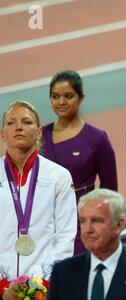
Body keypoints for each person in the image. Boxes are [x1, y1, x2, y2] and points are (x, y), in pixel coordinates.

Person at [0, 101, 77, 285]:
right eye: (11, 123)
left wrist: (43, 283)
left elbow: (65, 237)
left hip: (43, 287)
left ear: (39, 132)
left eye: (26, 122)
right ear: (2, 134)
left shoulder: (59, 176)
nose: (18, 127)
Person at [42, 70, 118, 255]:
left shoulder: (96, 138)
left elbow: (109, 190)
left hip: (81, 224)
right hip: (45, 222)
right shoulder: (39, 137)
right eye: (55, 96)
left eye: (68, 96)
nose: (61, 102)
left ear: (81, 97)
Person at [47, 188, 126, 300]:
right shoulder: (62, 273)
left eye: (96, 221)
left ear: (119, 224)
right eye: (83, 221)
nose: (88, 229)